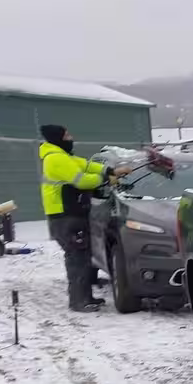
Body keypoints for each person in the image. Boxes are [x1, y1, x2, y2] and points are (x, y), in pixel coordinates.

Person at [39, 125, 131, 311]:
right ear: (58, 138)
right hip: (65, 216)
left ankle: (85, 297)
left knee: (81, 256)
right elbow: (81, 180)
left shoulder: (63, 156)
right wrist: (106, 180)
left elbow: (86, 165)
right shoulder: (56, 159)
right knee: (77, 258)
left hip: (71, 213)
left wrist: (110, 170)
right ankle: (79, 301)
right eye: (67, 135)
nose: (71, 137)